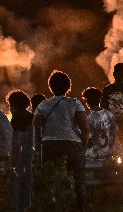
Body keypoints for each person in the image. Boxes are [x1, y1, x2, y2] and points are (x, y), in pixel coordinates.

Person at [33, 70, 88, 211]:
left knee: (50, 178)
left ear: (50, 87)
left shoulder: (42, 105)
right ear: (68, 86)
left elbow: (36, 127)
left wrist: (38, 146)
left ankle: (52, 205)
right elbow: (85, 127)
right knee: (79, 177)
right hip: (72, 144)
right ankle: (79, 206)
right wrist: (83, 145)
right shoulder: (75, 103)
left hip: (49, 145)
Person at [7, 90, 34, 212]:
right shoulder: (32, 117)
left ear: (13, 106)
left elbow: (13, 142)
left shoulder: (16, 120)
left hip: (18, 160)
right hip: (32, 159)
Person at [82, 86, 117, 163]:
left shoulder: (91, 118)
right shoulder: (110, 115)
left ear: (87, 102)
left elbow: (89, 141)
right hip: (109, 156)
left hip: (95, 157)